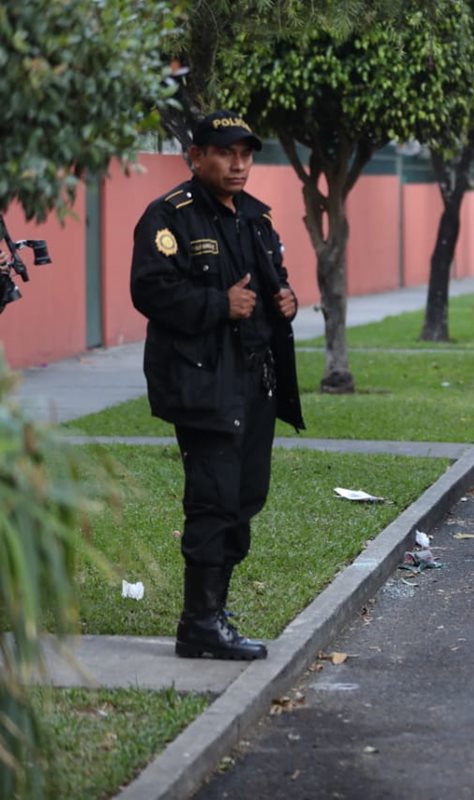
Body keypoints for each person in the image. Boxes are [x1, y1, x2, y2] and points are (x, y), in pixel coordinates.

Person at [130, 111, 305, 660]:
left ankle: (214, 614)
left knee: (245, 496)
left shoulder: (255, 217)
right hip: (204, 383)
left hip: (256, 380)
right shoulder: (170, 217)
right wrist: (218, 304)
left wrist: (287, 303)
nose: (238, 163)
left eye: (246, 154)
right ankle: (199, 624)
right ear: (196, 157)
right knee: (212, 499)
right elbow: (150, 291)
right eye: (225, 152)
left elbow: (272, 280)